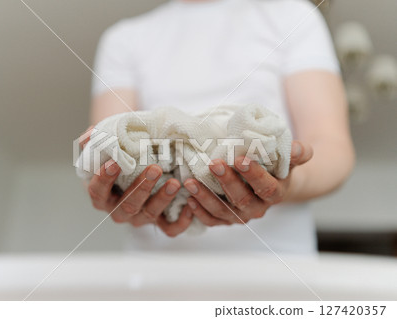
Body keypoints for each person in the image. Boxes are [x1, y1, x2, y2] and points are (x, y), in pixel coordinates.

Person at [83, 0, 355, 253]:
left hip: (276, 272)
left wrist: (285, 184)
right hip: (153, 279)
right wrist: (114, 194)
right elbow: (109, 147)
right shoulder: (124, 39)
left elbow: (331, 148)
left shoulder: (293, 15)